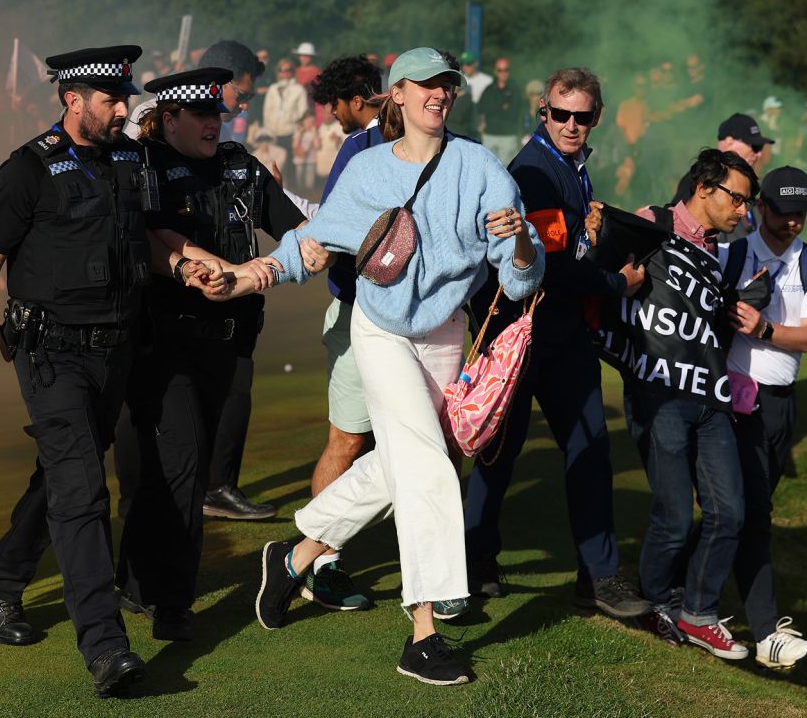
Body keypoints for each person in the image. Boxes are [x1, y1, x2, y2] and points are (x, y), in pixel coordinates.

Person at [252, 47, 544, 686]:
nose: (440, 95)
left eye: (448, 87)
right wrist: (257, 272)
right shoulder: (367, 170)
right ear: (398, 95)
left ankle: (297, 552)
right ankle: (423, 635)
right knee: (427, 468)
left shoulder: (480, 166)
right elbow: (317, 241)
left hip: (445, 334)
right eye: (427, 86)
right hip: (379, 329)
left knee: (398, 463)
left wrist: (521, 239)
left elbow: (521, 282)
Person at [0, 45, 174, 697]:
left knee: (62, 473)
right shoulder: (26, 169)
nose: (124, 108)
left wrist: (196, 267)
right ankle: (106, 647)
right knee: (81, 487)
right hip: (49, 351)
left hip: (117, 349)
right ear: (72, 100)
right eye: (111, 99)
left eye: (125, 96)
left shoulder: (132, 159)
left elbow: (151, 241)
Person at [113, 67, 314, 639]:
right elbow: (157, 239)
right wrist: (225, 270)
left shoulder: (239, 163)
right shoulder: (143, 162)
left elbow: (295, 228)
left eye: (216, 115)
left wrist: (308, 250)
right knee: (175, 467)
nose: (212, 125)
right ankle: (170, 602)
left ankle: (133, 580)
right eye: (200, 116)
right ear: (168, 118)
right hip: (165, 340)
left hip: (231, 342)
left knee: (183, 469)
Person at [462, 67, 650, 619]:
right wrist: (620, 282)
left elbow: (568, 253)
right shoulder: (536, 172)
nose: (571, 124)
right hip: (526, 335)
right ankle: (475, 564)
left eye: (582, 116)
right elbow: (546, 269)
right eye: (560, 114)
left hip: (559, 334)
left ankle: (596, 575)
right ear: (542, 112)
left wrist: (595, 233)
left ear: (597, 117)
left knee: (587, 452)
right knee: (500, 455)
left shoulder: (568, 164)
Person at [595, 148, 760, 661]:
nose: (744, 213)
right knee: (672, 515)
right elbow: (601, 267)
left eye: (748, 203)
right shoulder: (653, 222)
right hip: (658, 394)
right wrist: (597, 229)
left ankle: (699, 613)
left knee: (730, 510)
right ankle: (656, 603)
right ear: (705, 188)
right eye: (738, 199)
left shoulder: (718, 252)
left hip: (710, 398)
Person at [718, 166, 807, 669]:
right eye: (784, 212)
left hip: (782, 402)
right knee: (751, 515)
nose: (793, 224)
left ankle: (682, 595)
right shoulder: (731, 254)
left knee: (740, 513)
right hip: (736, 397)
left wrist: (763, 328)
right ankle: (767, 632)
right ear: (761, 207)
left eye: (800, 214)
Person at [301, 54, 387, 611]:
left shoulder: (361, 146)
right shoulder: (358, 148)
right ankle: (319, 561)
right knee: (350, 439)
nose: (334, 117)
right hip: (360, 313)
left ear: (358, 99)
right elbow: (333, 228)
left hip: (404, 321)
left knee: (418, 445)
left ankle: (440, 567)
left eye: (336, 105)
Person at [124, 40, 265, 142]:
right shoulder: (150, 114)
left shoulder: (222, 134)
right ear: (217, 82)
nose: (244, 106)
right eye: (242, 96)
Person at [479, 57, 522, 165]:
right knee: (487, 167)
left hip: (508, 137)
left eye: (505, 70)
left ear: (509, 71)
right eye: (500, 70)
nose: (503, 73)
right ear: (495, 71)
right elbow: (480, 108)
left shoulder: (516, 89)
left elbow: (516, 113)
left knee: (506, 170)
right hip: (489, 136)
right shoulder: (488, 89)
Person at [262, 58, 308, 141]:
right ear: (278, 72)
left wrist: (292, 120)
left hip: (291, 133)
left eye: (289, 70)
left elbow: (303, 112)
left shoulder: (299, 90)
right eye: (282, 70)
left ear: (293, 71)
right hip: (273, 133)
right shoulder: (273, 89)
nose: (286, 72)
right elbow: (267, 111)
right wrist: (267, 130)